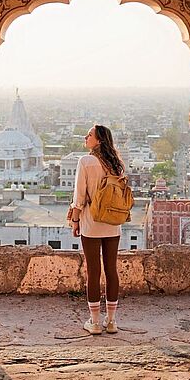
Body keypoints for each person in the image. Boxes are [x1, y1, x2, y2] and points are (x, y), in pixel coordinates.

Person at [69, 124, 125, 335]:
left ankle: (94, 322)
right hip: (112, 222)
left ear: (99, 140)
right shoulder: (117, 164)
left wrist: (75, 221)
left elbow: (79, 197)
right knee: (111, 270)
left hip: (91, 223)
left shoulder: (86, 161)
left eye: (89, 135)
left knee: (94, 272)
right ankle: (111, 321)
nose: (86, 137)